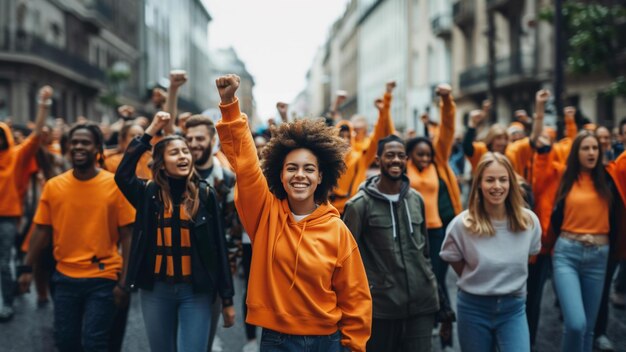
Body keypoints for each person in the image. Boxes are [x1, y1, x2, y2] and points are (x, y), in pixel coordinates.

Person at [215, 74, 372, 352]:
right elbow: (246, 164)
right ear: (281, 174)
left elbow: (355, 295)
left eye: (309, 169)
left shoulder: (337, 230)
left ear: (321, 176)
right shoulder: (264, 214)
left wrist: (354, 346)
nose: (300, 175)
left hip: (328, 342)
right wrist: (229, 105)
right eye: (292, 168)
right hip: (277, 340)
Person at [114, 112, 235, 352]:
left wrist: (227, 300)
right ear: (161, 163)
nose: (183, 156)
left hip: (196, 292)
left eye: (185, 152)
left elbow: (218, 248)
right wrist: (150, 131)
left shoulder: (206, 194)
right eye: (174, 152)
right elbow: (123, 174)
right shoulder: (147, 194)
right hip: (156, 291)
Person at [18, 122, 134, 351]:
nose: (79, 147)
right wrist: (26, 268)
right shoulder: (54, 186)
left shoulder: (114, 185)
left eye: (85, 142)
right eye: (74, 142)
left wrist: (125, 283)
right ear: (68, 148)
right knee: (65, 341)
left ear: (98, 148)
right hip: (64, 278)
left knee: (95, 342)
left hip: (104, 277)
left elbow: (128, 235)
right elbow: (42, 229)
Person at [343, 134, 441, 352]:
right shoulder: (359, 206)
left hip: (421, 306)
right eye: (389, 155)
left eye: (400, 156)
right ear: (378, 160)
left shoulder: (416, 199)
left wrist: (434, 289)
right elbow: (345, 261)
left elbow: (424, 251)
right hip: (380, 309)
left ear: (406, 159)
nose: (395, 160)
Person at [440, 152, 541, 352]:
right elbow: (453, 258)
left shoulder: (529, 221)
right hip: (473, 308)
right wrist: (478, 279)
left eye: (503, 179)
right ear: (478, 184)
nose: (497, 186)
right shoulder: (462, 224)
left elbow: (529, 255)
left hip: (513, 308)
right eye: (490, 180)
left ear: (511, 183)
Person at [535, 130, 616, 352]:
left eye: (595, 148)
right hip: (567, 254)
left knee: (588, 328)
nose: (591, 152)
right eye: (585, 148)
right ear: (576, 152)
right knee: (575, 323)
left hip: (599, 256)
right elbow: (541, 174)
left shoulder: (609, 178)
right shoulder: (565, 177)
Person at [404, 83, 461, 350]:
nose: (425, 158)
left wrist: (446, 100)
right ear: (410, 155)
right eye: (420, 154)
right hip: (412, 232)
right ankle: (428, 323)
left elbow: (448, 129)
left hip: (437, 230)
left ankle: (444, 320)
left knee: (436, 278)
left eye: (428, 154)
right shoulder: (402, 168)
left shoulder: (438, 162)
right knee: (419, 280)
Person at [183, 114, 239, 351]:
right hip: (178, 265)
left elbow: (233, 229)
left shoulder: (226, 179)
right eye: (189, 138)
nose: (194, 143)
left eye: (200, 138)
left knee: (202, 337)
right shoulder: (175, 175)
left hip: (211, 269)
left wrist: (226, 274)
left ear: (212, 140)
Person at [0, 86, 52, 321]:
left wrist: (43, 105)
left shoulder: (17, 156)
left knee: (3, 260)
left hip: (8, 217)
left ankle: (7, 303)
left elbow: (36, 135)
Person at [331, 82, 395, 214]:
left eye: (349, 135)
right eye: (341, 135)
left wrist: (384, 107)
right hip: (330, 211)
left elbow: (379, 136)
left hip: (353, 209)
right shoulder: (327, 158)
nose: (345, 139)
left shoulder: (360, 156)